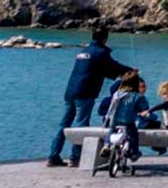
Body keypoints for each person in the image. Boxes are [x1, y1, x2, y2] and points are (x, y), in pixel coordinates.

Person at [48, 24, 132, 167]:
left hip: (70, 91)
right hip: (85, 92)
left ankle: (53, 156)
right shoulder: (100, 52)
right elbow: (113, 67)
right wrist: (130, 71)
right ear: (105, 38)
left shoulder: (84, 51)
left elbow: (103, 70)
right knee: (81, 124)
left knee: (64, 124)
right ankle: (75, 158)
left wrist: (118, 72)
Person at [104, 71, 151, 164]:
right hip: (128, 121)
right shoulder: (137, 96)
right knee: (133, 135)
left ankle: (106, 145)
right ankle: (134, 153)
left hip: (114, 119)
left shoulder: (117, 93)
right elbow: (144, 107)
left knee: (111, 130)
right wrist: (144, 112)